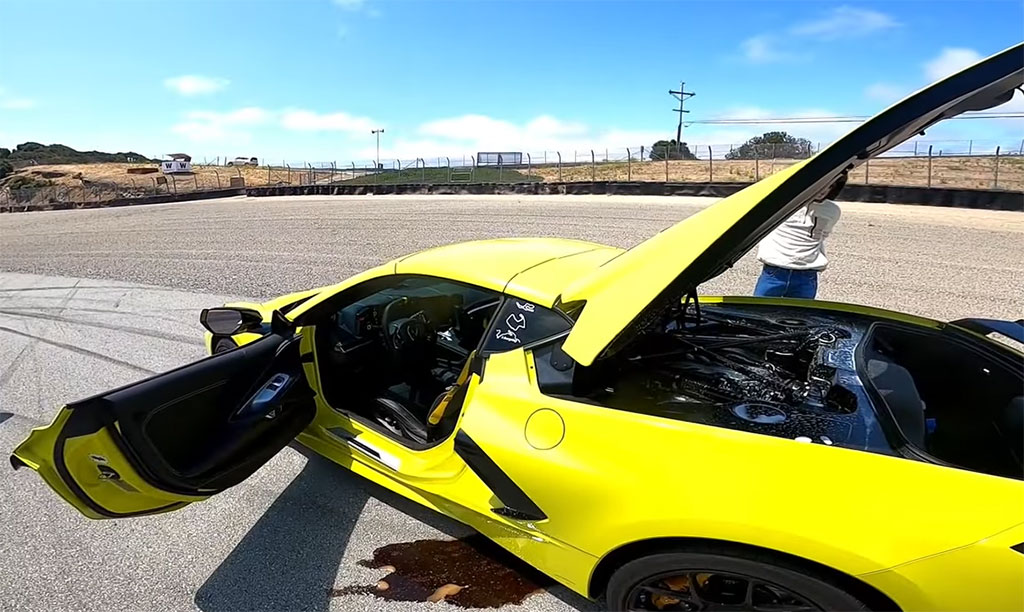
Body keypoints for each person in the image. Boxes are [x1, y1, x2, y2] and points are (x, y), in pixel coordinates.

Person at [753, 172, 845, 299]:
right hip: (774, 272)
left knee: (798, 318)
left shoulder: (832, 210)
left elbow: (822, 235)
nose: (824, 190)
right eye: (821, 184)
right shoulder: (782, 202)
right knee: (759, 314)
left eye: (830, 186)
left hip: (806, 276)